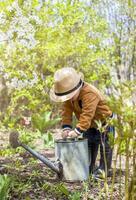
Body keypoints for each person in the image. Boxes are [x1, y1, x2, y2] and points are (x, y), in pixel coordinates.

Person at [50, 67, 114, 178]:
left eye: (68, 96)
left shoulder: (89, 93)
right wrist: (66, 127)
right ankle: (88, 167)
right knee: (88, 145)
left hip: (104, 122)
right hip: (89, 125)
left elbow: (87, 114)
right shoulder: (69, 97)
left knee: (105, 146)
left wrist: (77, 130)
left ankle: (105, 169)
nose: (67, 98)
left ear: (77, 88)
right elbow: (66, 112)